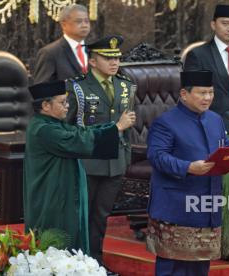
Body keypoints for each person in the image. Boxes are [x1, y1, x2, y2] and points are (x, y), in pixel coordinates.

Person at [146, 70, 229, 276]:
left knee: (201, 266)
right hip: (177, 206)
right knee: (173, 268)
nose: (207, 98)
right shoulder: (166, 122)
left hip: (207, 205)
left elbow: (224, 149)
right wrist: (188, 167)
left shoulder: (215, 119)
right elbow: (156, 157)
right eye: (201, 93)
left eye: (210, 93)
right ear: (184, 94)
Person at [23, 80, 135, 254]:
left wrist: (112, 128)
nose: (67, 106)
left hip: (61, 194)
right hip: (52, 198)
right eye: (62, 102)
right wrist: (117, 128)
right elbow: (79, 141)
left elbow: (80, 133)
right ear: (45, 105)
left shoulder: (53, 124)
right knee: (55, 242)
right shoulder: (44, 129)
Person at [65, 35, 136, 271]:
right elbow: (68, 128)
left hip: (115, 162)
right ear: (93, 61)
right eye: (108, 58)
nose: (114, 62)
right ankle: (75, 261)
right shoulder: (77, 88)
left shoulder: (125, 86)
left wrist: (126, 158)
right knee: (81, 215)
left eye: (117, 57)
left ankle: (95, 263)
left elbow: (129, 129)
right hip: (87, 161)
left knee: (101, 216)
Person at [184, 4, 229, 135]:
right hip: (210, 128)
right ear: (213, 25)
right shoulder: (198, 55)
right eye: (225, 23)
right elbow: (192, 96)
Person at [33, 4, 90, 84]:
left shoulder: (94, 50)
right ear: (64, 25)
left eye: (87, 21)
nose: (84, 25)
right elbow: (40, 91)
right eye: (79, 21)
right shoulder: (49, 53)